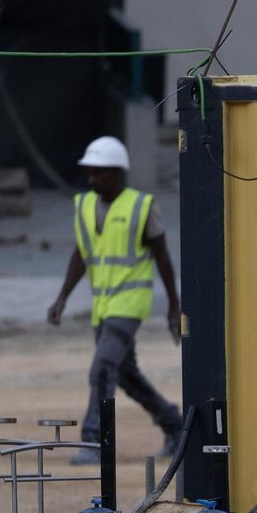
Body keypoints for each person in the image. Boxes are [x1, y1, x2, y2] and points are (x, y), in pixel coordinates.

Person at [46, 136, 183, 466]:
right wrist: (62, 297)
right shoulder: (84, 206)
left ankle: (94, 440)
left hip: (130, 304)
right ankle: (174, 424)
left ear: (118, 173)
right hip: (103, 307)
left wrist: (173, 305)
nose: (92, 179)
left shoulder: (141, 206)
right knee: (124, 375)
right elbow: (82, 253)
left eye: (99, 173)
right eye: (89, 173)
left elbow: (162, 256)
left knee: (102, 368)